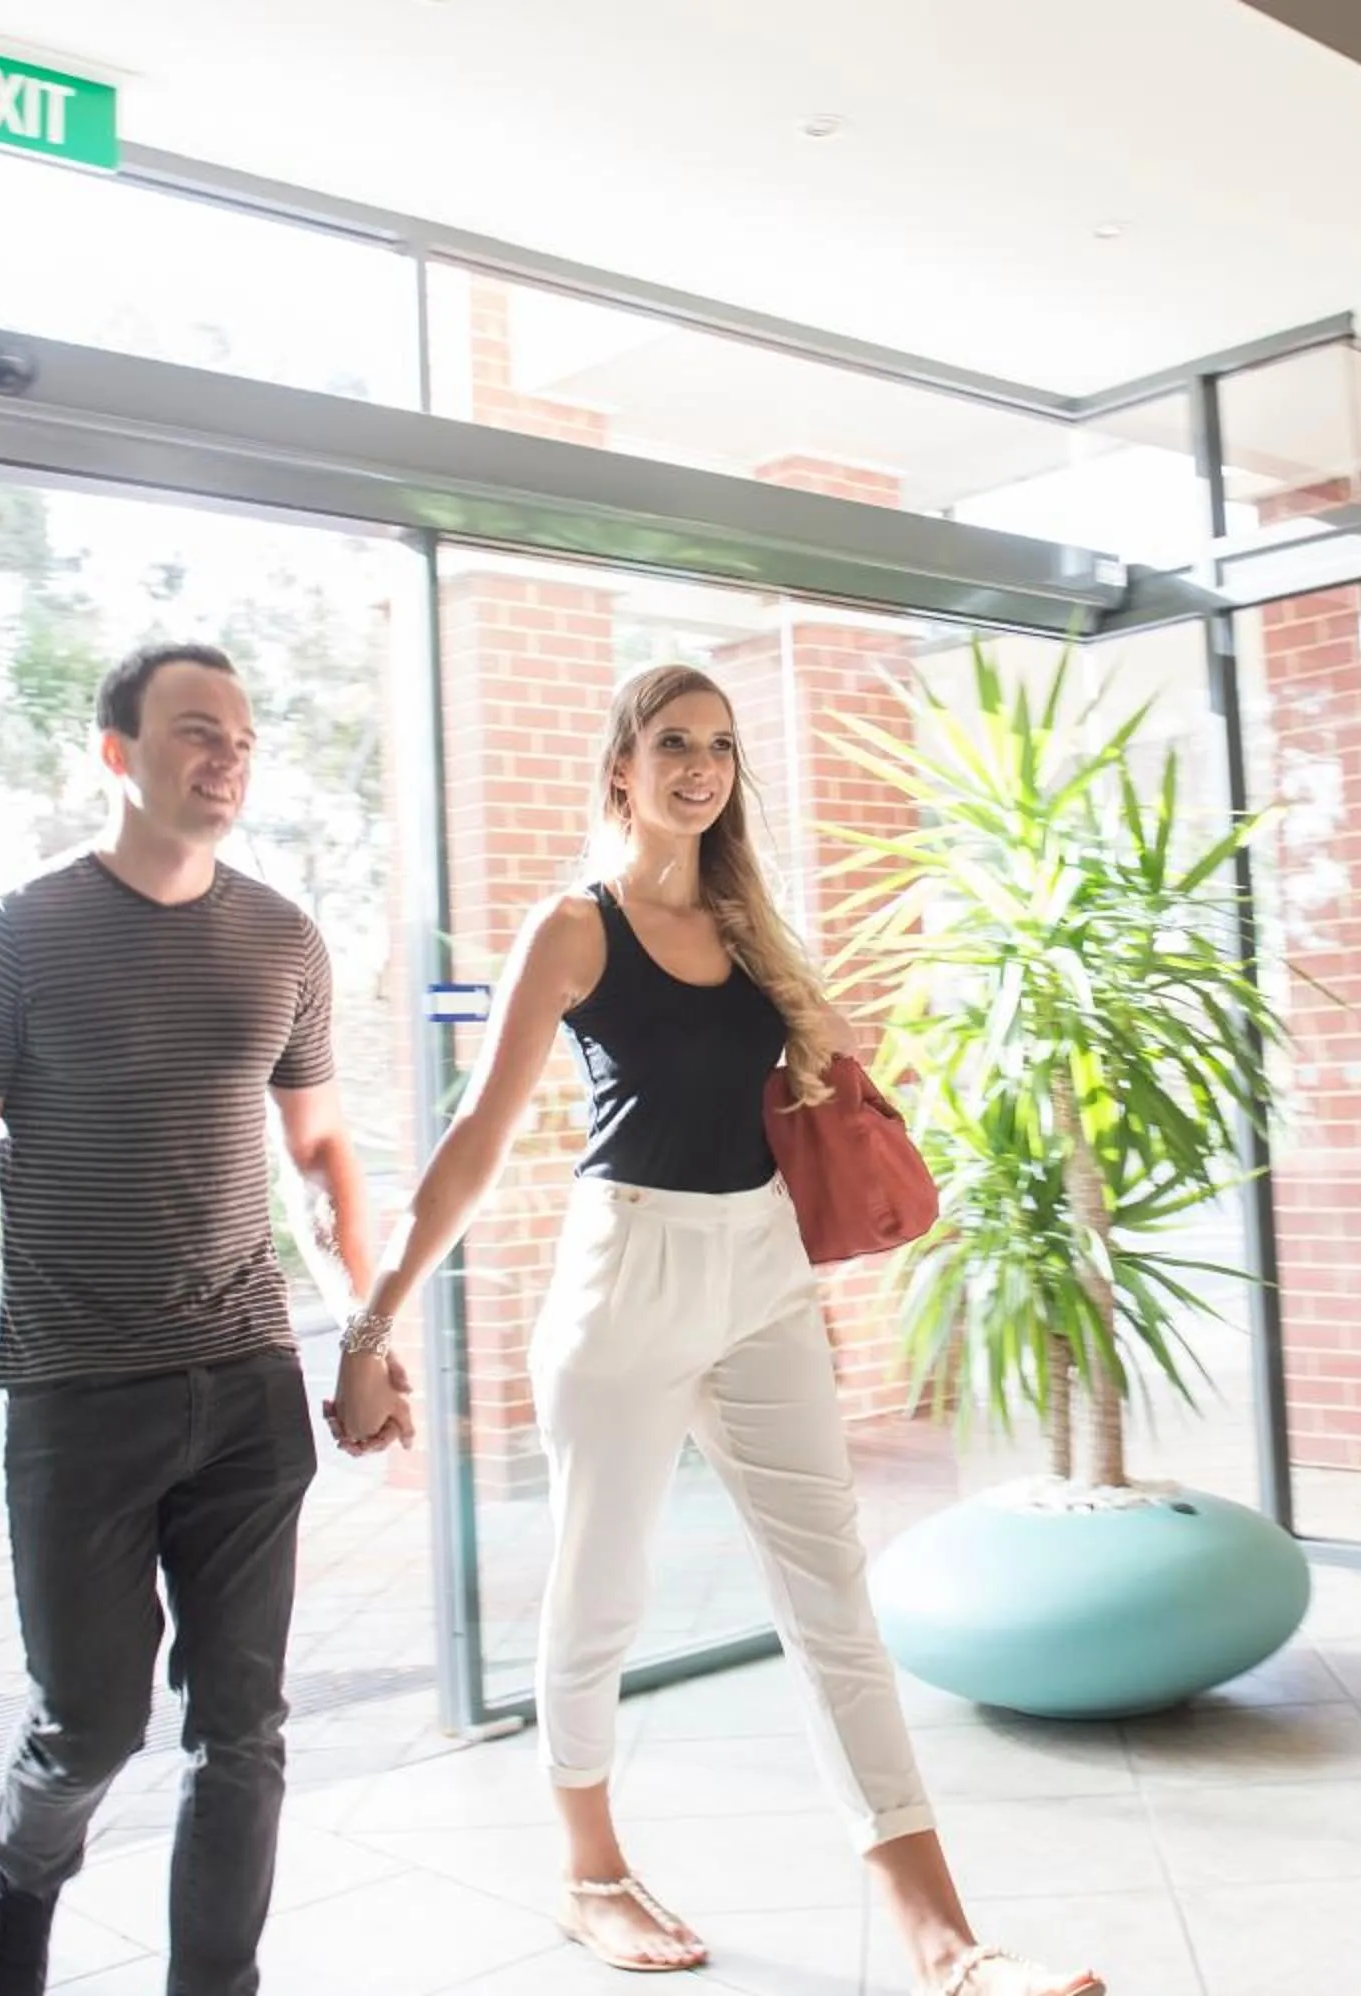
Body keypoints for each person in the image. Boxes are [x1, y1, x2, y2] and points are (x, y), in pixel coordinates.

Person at [330, 665, 1102, 1996]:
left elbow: (831, 1075)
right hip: (626, 1270)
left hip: (759, 1273)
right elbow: (476, 1135)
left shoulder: (751, 926)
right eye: (673, 743)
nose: (700, 767)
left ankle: (945, 1942)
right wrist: (369, 1324)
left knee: (833, 1600)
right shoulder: (578, 928)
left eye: (722, 747)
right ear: (620, 762)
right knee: (601, 1597)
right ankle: (591, 1876)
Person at [0, 641, 413, 1996]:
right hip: (76, 1401)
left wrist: (366, 1331)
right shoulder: (18, 937)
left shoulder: (283, 936)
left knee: (245, 1731)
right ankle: (7, 1939)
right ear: (114, 753)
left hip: (244, 1390)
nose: (225, 757)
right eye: (193, 731)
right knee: (88, 1732)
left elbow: (323, 1151)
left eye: (240, 736)